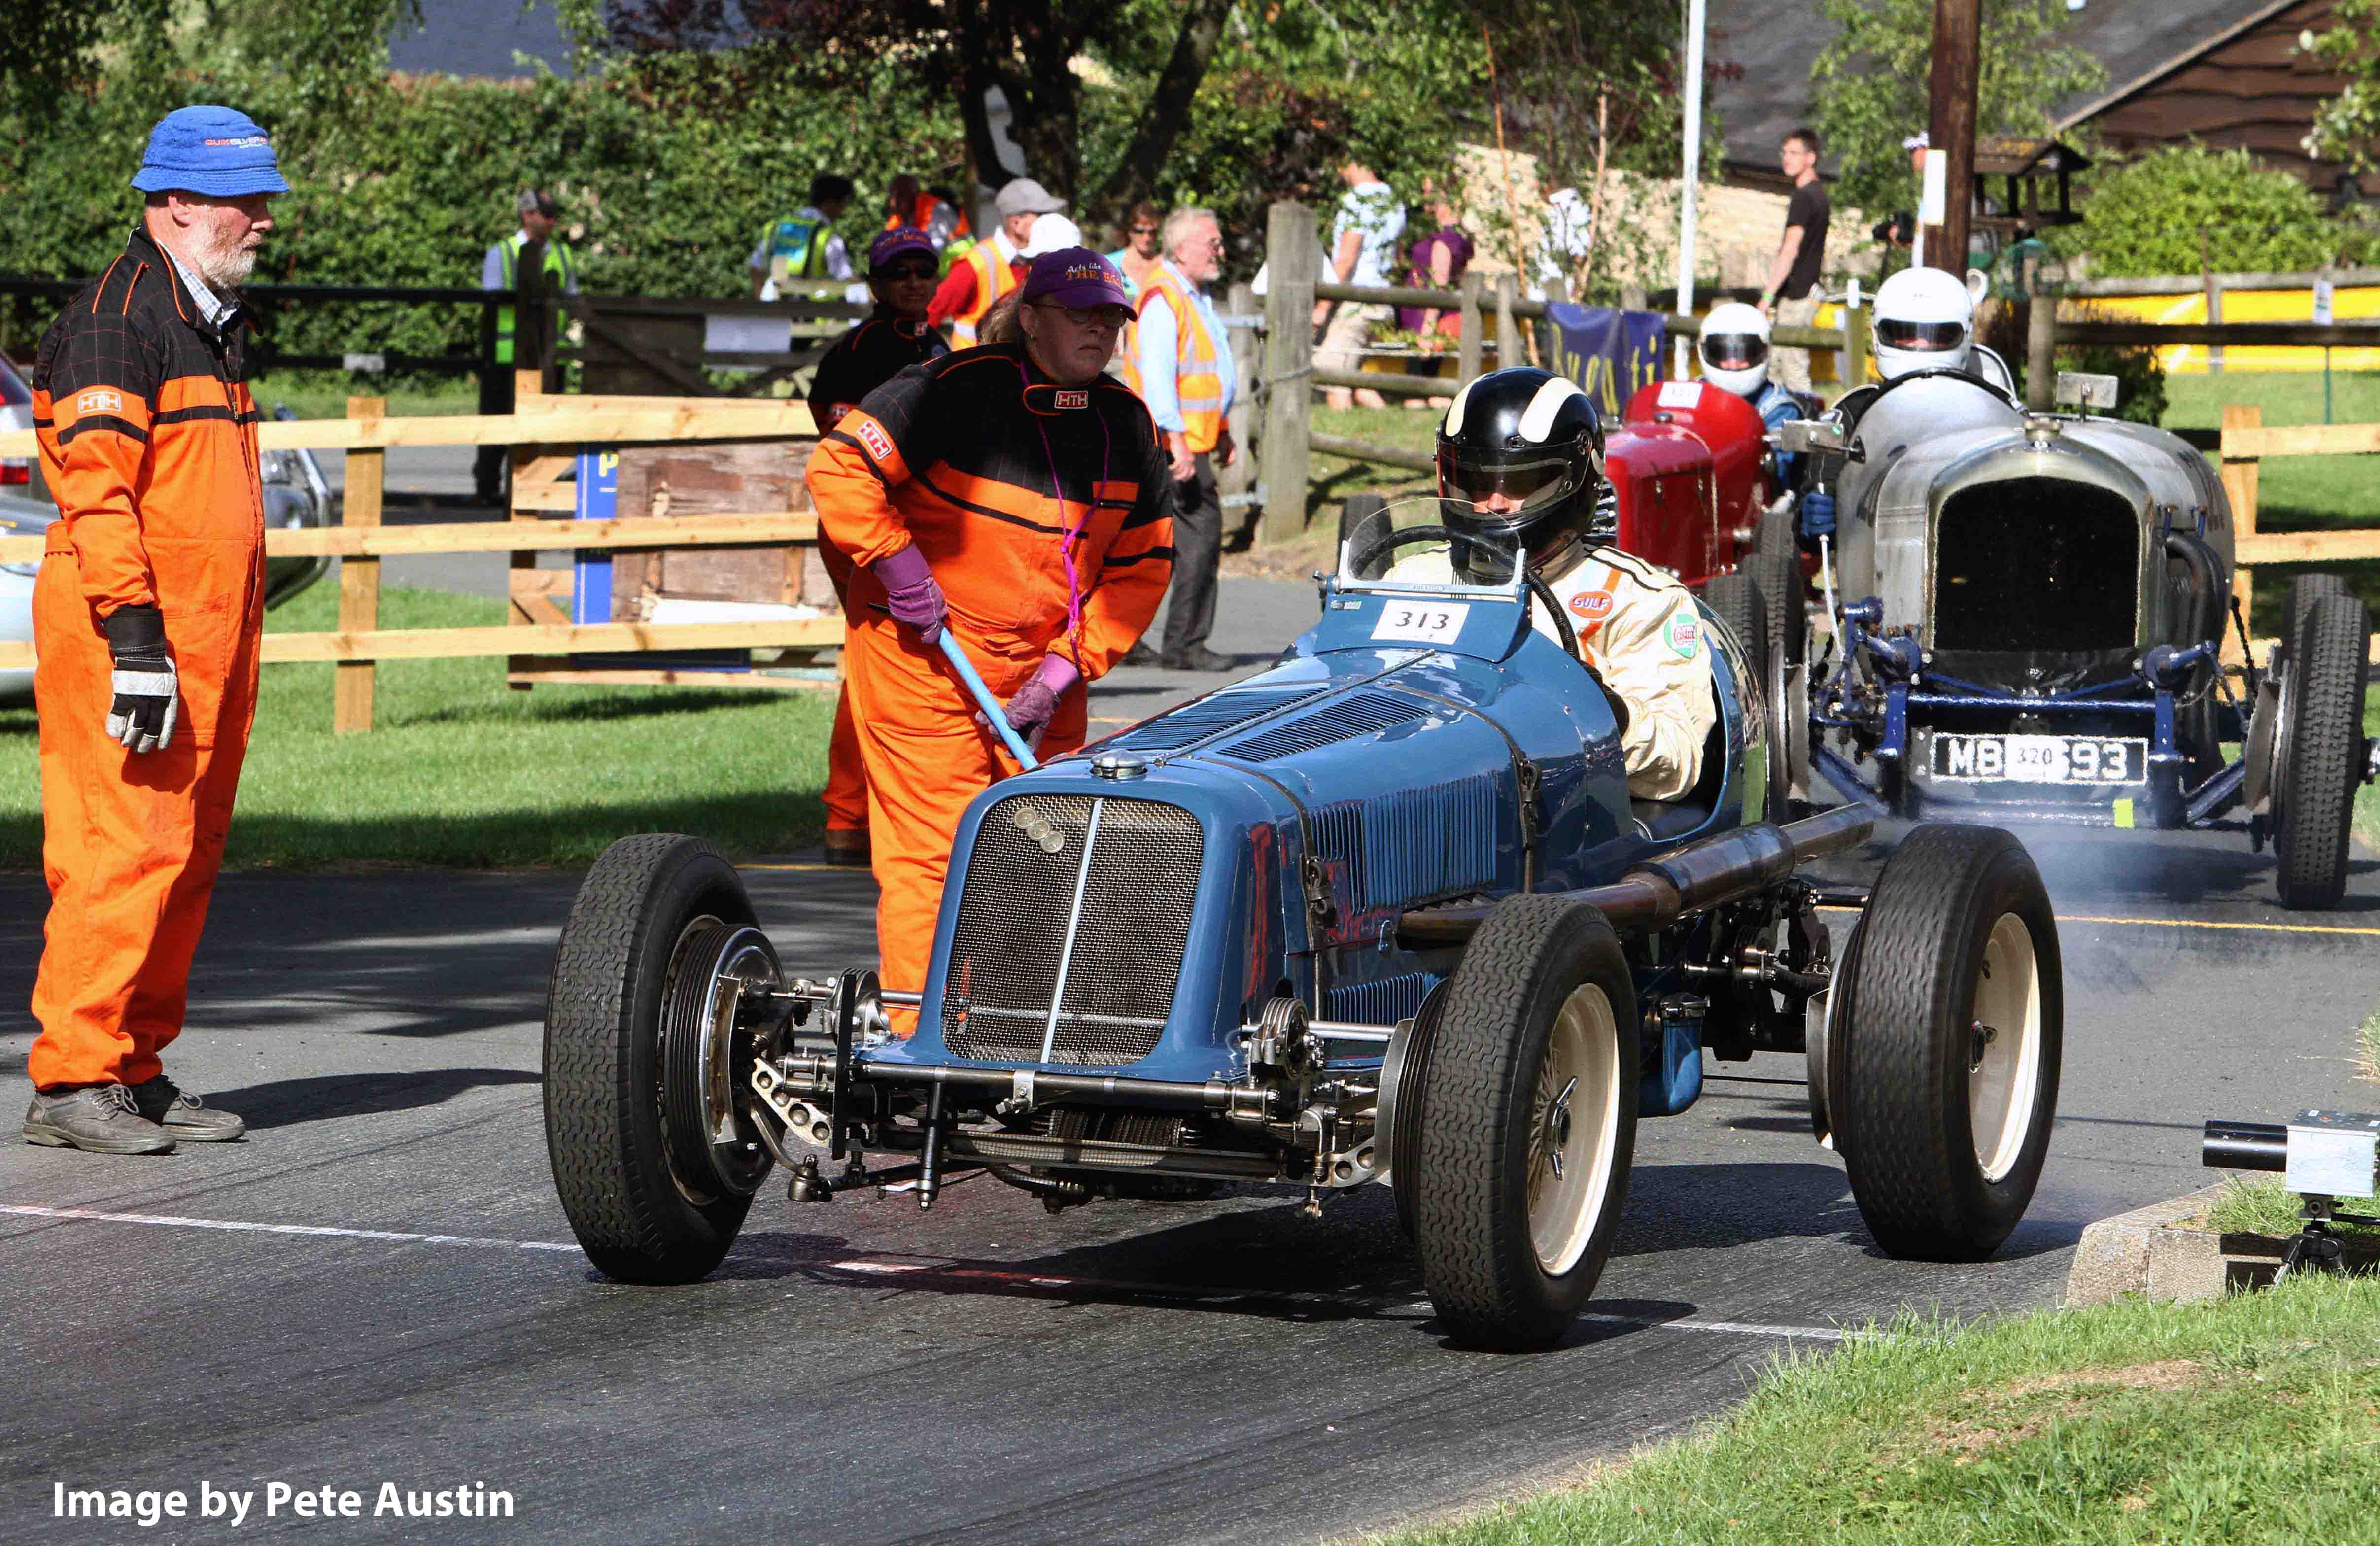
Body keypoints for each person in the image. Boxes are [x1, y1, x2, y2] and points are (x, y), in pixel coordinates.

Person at [806, 249, 1173, 1027]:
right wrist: (897, 565)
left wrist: (1064, 672)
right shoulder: (949, 387)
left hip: (1042, 673)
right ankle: (922, 1040)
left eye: (1111, 318)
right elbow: (840, 470)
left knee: (1049, 851)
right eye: (1081, 315)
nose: (1099, 331)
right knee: (935, 859)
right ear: (1032, 317)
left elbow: (1143, 567)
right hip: (922, 661)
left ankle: (1020, 1030)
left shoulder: (1127, 423)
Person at [21, 106, 285, 1153]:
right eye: (244, 199)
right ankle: (73, 1074)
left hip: (203, 644)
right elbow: (98, 499)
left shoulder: (205, 318)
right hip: (128, 637)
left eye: (266, 199)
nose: (262, 218)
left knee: (183, 849)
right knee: (119, 850)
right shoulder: (115, 319)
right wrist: (136, 644)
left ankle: (132, 1059)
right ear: (176, 202)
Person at [1393, 368, 1715, 801]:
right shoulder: (1409, 580)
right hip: (1415, 793)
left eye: (1520, 482)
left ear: (1575, 481)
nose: (1495, 502)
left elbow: (1677, 764)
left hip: (1564, 821)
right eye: (1475, 481)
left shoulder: (1637, 601)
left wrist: (1606, 714)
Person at [806, 227, 952, 867]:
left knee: (888, 666)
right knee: (873, 664)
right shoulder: (855, 352)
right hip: (869, 526)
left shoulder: (940, 344)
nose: (913, 282)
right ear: (874, 285)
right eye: (899, 273)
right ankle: (849, 812)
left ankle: (855, 812)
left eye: (924, 270)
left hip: (918, 527)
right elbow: (846, 449)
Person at [1123, 207, 1239, 672]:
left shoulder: (1192, 295)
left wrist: (1223, 431)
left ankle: (1129, 638)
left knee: (1151, 544)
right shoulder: (1165, 298)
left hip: (1188, 439)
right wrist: (1178, 441)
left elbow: (1209, 377)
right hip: (1171, 442)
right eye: (1211, 243)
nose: (1219, 251)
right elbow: (1158, 379)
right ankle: (1185, 644)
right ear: (1181, 247)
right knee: (1198, 540)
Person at [475, 188, 581, 503]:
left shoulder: (563, 255)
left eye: (554, 215)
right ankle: (488, 488)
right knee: (498, 425)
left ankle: (539, 486)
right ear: (528, 215)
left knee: (547, 425)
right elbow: (491, 305)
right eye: (546, 215)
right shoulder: (502, 253)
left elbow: (574, 302)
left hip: (550, 357)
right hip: (506, 357)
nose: (552, 221)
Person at [928, 177, 1064, 345]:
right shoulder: (974, 264)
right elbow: (931, 313)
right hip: (974, 368)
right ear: (1017, 224)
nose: (1050, 221)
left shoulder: (1039, 260)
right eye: (1042, 215)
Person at [1314, 160, 1405, 409]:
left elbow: (1347, 259)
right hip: (1384, 299)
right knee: (1360, 382)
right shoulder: (1394, 201)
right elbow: (1398, 257)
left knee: (1331, 374)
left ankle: (1335, 439)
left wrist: (1322, 308)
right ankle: (1384, 426)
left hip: (1358, 299)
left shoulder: (1357, 201)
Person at [1757, 127, 1830, 396]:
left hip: (1799, 295)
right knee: (1776, 369)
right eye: (1784, 153)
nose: (1787, 159)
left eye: (1794, 153)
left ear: (1811, 158)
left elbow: (1790, 249)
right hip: (1802, 293)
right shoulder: (1819, 195)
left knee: (1793, 369)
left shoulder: (1804, 197)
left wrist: (1766, 298)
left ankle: (1807, 427)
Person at [1697, 302, 1804, 432]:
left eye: (1745, 354)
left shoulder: (1778, 410)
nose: (1734, 364)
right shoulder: (1694, 395)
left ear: (1764, 352)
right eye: (1722, 353)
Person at [749, 173, 855, 300]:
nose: (843, 212)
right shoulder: (827, 237)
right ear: (830, 203)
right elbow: (845, 278)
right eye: (843, 204)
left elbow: (755, 267)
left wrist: (760, 306)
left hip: (773, 311)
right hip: (808, 314)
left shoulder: (778, 228)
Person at [883, 173, 962, 256]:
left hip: (963, 263)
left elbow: (932, 253)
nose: (894, 202)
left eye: (901, 196)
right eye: (893, 196)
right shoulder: (898, 220)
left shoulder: (934, 210)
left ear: (914, 194)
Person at [1107, 200, 1164, 297]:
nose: (1147, 238)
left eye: (1152, 232)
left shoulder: (1167, 265)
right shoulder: (1108, 264)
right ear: (1129, 231)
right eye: (1140, 231)